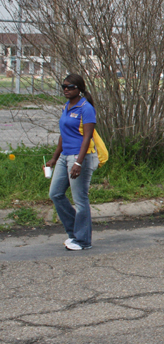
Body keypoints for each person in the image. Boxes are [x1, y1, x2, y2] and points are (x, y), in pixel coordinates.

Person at [46, 74, 100, 251]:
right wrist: (55, 158)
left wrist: (78, 163)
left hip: (80, 156)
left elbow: (87, 137)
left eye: (70, 87)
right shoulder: (66, 106)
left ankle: (83, 241)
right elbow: (64, 135)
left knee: (80, 199)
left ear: (79, 89)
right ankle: (74, 233)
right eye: (64, 86)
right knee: (55, 193)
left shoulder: (86, 108)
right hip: (65, 156)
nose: (66, 90)